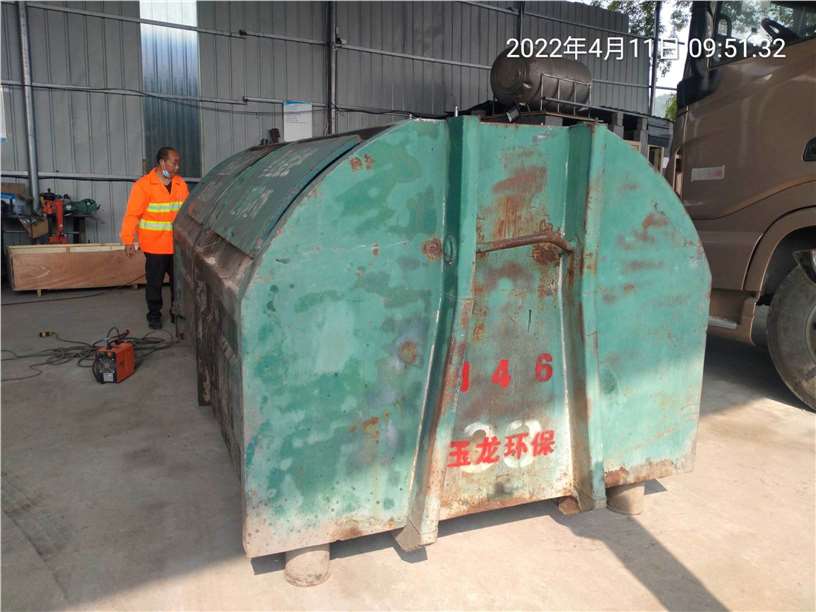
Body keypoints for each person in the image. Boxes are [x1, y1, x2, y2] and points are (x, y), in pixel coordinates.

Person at [120, 147, 189, 329]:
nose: (177, 167)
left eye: (178, 163)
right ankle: (154, 315)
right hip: (155, 246)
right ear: (162, 163)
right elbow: (132, 215)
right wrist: (128, 239)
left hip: (176, 245)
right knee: (154, 284)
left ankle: (177, 313)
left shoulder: (180, 184)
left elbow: (187, 213)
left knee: (178, 283)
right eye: (174, 163)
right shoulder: (143, 185)